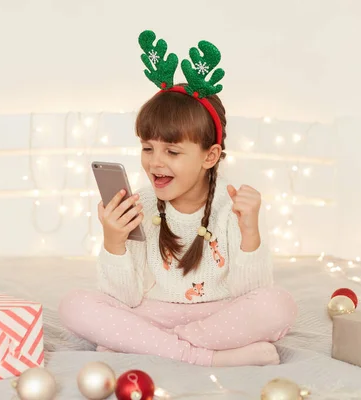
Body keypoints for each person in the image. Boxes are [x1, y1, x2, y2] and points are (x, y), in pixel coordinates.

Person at [59, 30, 297, 367]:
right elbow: (124, 298)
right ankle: (206, 359)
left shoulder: (232, 205)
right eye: (147, 148)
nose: (155, 162)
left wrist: (250, 235)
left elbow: (251, 295)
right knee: (74, 304)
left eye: (172, 151)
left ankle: (150, 347)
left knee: (279, 305)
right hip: (151, 314)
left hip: (217, 318)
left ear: (210, 156)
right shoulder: (140, 204)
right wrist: (114, 241)